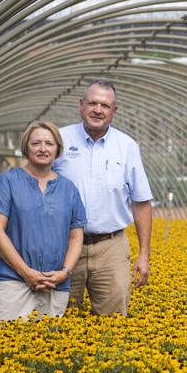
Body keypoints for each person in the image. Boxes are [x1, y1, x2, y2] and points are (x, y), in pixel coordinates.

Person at [53, 79, 153, 316]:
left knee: (114, 319)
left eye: (105, 105)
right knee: (57, 316)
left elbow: (142, 203)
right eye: (93, 103)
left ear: (114, 111)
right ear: (81, 105)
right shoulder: (59, 140)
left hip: (111, 246)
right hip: (63, 245)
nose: (98, 110)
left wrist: (144, 255)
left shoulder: (127, 146)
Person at [0, 120, 86, 323]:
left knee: (49, 348)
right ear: (26, 147)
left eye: (49, 143)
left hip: (54, 285)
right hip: (12, 282)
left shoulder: (68, 189)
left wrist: (64, 273)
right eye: (36, 143)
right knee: (4, 345)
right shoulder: (7, 182)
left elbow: (76, 236)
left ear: (57, 149)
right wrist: (26, 273)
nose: (43, 149)